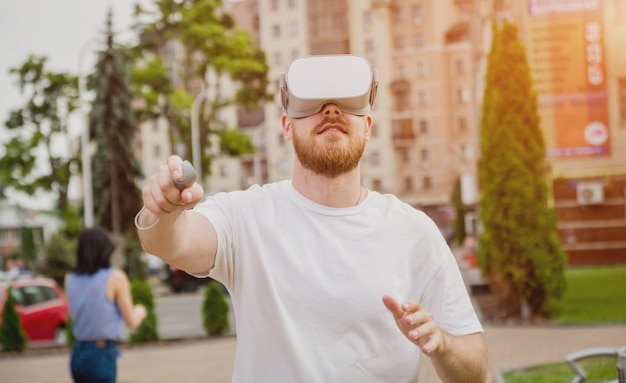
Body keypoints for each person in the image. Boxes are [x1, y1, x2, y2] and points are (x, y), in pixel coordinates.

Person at [136, 54, 488, 382]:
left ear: (368, 126)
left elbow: (475, 370)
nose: (331, 110)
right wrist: (162, 210)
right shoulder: (245, 217)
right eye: (314, 105)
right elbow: (171, 242)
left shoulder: (415, 231)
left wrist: (441, 343)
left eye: (345, 104)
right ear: (287, 126)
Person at [65, 227, 147, 383]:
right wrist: (141, 310)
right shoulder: (115, 277)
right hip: (101, 355)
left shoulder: (69, 278)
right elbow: (131, 322)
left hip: (77, 354)